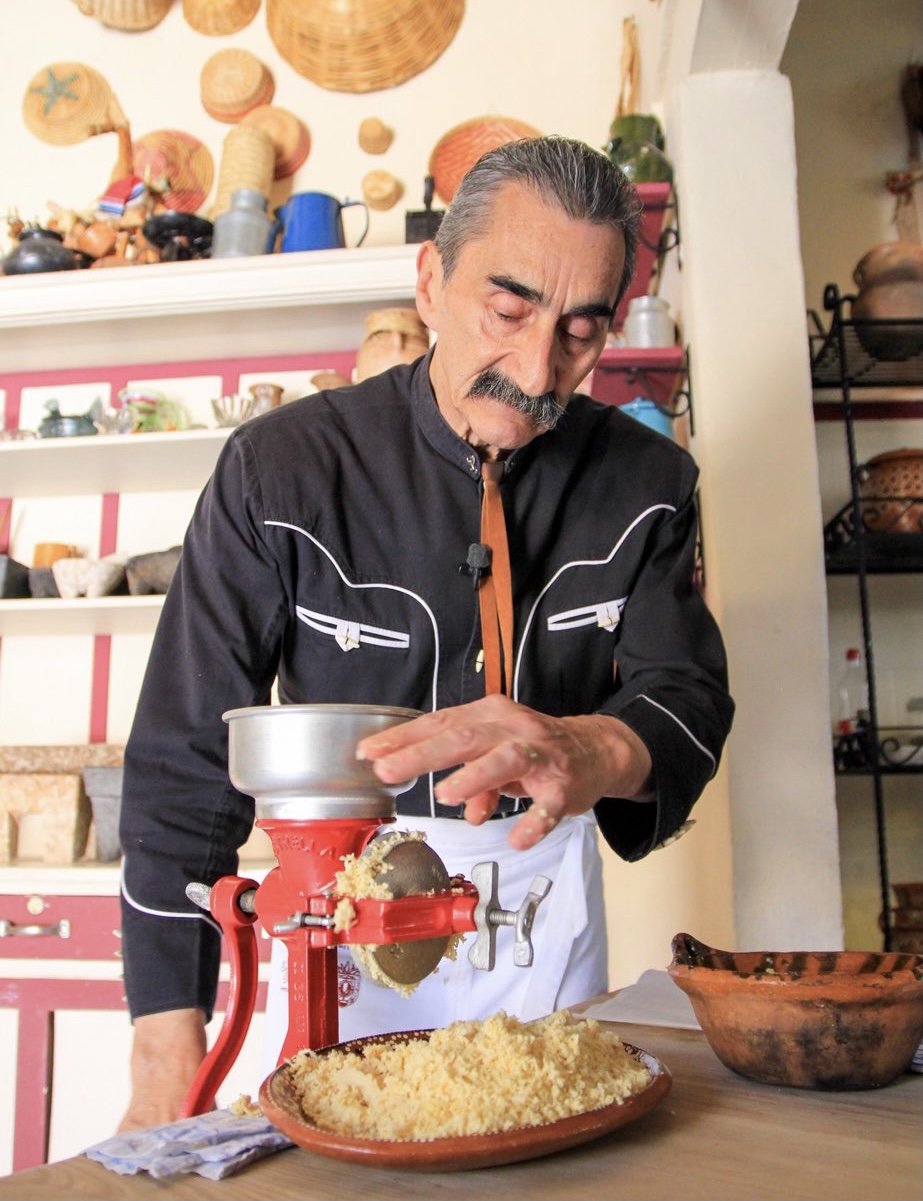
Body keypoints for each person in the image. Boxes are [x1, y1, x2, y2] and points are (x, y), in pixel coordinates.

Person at [118, 135, 734, 1131]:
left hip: (545, 932)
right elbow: (181, 762)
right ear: (429, 280)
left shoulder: (647, 484)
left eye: (581, 330)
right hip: (342, 917)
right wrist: (164, 1040)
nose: (539, 368)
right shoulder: (280, 472)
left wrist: (594, 744)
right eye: (507, 310)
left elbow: (687, 695)